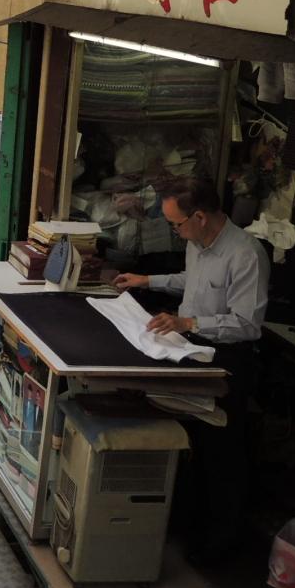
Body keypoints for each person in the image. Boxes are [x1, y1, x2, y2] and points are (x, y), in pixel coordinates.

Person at [114, 176, 269, 564]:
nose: (175, 232)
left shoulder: (245, 255)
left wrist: (189, 323)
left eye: (176, 224)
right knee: (191, 440)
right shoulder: (196, 243)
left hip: (226, 358)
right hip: (193, 349)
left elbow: (247, 323)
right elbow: (193, 283)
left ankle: (221, 545)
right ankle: (187, 526)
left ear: (199, 216)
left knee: (222, 451)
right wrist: (148, 280)